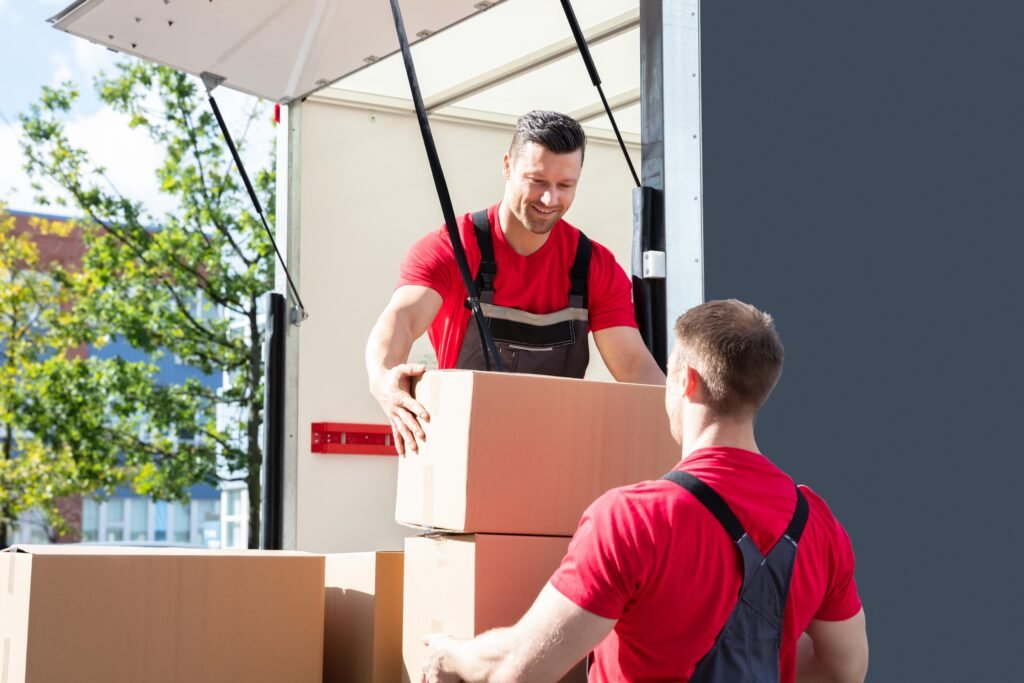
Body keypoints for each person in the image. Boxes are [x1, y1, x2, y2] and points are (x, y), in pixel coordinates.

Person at [421, 299, 869, 683]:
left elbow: (520, 669)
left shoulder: (633, 519)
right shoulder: (816, 522)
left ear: (684, 381)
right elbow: (843, 670)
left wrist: (449, 654)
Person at [366, 110, 665, 455]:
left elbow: (633, 364)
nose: (550, 199)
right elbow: (402, 320)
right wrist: (382, 378)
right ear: (507, 166)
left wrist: (688, 423)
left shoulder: (595, 265)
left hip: (555, 460)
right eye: (537, 181)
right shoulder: (454, 248)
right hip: (463, 455)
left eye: (565, 185)